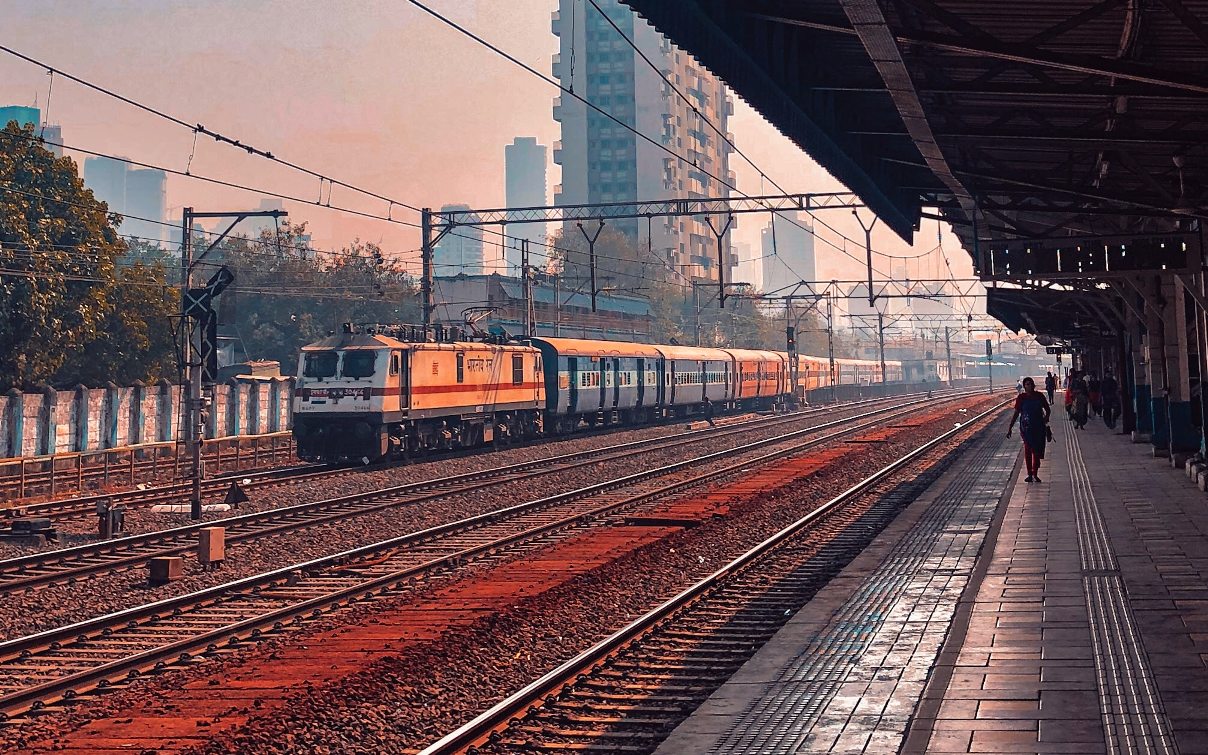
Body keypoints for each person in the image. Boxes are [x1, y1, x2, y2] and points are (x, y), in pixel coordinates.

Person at [1008, 376, 1051, 483]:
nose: (1029, 386)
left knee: (1036, 450)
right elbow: (1016, 413)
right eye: (1027, 384)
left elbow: (1048, 409)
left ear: (1033, 385)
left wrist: (1046, 419)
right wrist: (1010, 427)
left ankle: (1035, 473)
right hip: (1026, 429)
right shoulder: (1021, 398)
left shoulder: (1039, 396)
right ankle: (1029, 473)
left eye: (1030, 384)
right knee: (1028, 449)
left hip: (1038, 428)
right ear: (1024, 386)